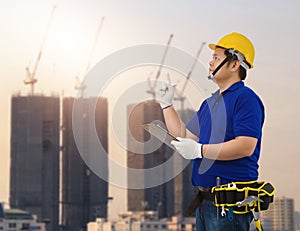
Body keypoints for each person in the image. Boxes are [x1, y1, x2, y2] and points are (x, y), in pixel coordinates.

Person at [155, 32, 265, 230]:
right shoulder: (210, 103)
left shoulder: (245, 98)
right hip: (205, 203)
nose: (211, 62)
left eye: (216, 57)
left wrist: (199, 151)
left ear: (234, 64)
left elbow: (245, 146)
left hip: (229, 206)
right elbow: (186, 136)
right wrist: (166, 104)